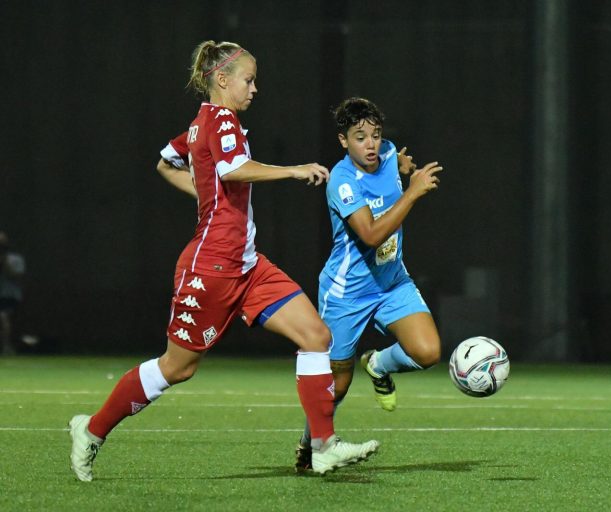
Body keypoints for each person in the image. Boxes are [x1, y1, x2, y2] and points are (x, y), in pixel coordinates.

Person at [68, 41, 379, 482]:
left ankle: (323, 446)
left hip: (248, 265)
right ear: (222, 79)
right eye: (248, 80)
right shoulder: (221, 119)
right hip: (210, 267)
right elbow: (233, 169)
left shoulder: (201, 124)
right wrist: (291, 170)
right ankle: (92, 429)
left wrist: (207, 193)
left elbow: (166, 163)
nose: (254, 89)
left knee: (315, 335)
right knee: (178, 367)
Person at [295, 97, 443, 472]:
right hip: (347, 294)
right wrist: (412, 192)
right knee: (338, 385)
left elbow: (396, 166)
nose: (372, 144)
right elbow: (371, 234)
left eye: (375, 135)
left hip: (392, 283)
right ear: (344, 141)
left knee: (427, 352)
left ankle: (378, 364)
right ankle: (309, 444)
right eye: (361, 137)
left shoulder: (389, 153)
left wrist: (403, 169)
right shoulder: (342, 180)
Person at [0, 232, 25, 356]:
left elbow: (17, 277)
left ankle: (6, 346)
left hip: (9, 295)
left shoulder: (15, 259)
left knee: (4, 317)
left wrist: (4, 263)